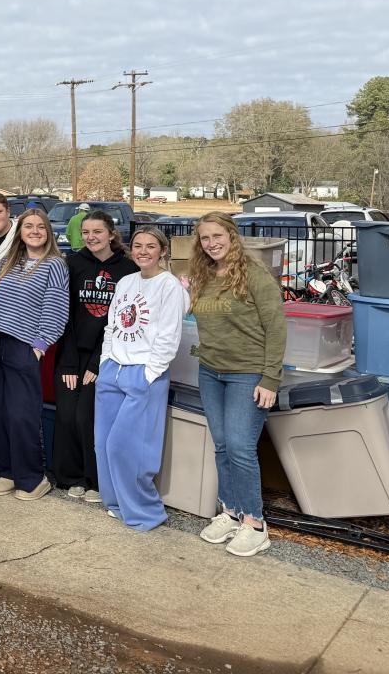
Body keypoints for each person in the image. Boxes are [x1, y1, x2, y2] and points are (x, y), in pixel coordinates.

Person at [189, 212, 286, 557]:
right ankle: (230, 512)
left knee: (240, 447)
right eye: (205, 238)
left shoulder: (255, 275)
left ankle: (255, 524)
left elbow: (276, 328)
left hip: (248, 373)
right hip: (210, 372)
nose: (211, 243)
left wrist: (270, 378)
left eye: (217, 236)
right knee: (222, 445)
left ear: (232, 235)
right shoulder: (203, 275)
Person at [96, 227, 188, 531]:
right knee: (104, 444)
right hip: (113, 369)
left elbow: (169, 335)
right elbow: (112, 325)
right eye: (138, 245)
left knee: (128, 447)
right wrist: (106, 361)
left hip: (143, 372)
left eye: (151, 246)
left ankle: (145, 513)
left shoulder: (169, 286)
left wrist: (149, 373)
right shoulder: (126, 281)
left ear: (163, 251)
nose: (143, 251)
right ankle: (116, 503)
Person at [0, 209, 69, 502]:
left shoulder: (54, 264)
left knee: (21, 415)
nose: (34, 231)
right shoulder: (6, 261)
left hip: (24, 346)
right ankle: (3, 471)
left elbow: (56, 307)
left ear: (48, 232)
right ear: (20, 231)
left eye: (40, 226)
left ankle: (31, 478)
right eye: (28, 226)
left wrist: (40, 345)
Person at [56, 211, 138, 501]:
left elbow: (122, 321)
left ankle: (95, 479)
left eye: (97, 232)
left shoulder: (128, 270)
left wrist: (96, 362)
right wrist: (68, 362)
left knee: (88, 417)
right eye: (86, 232)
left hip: (105, 356)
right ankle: (71, 477)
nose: (91, 237)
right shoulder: (72, 264)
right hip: (71, 353)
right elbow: (63, 315)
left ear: (111, 233)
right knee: (66, 416)